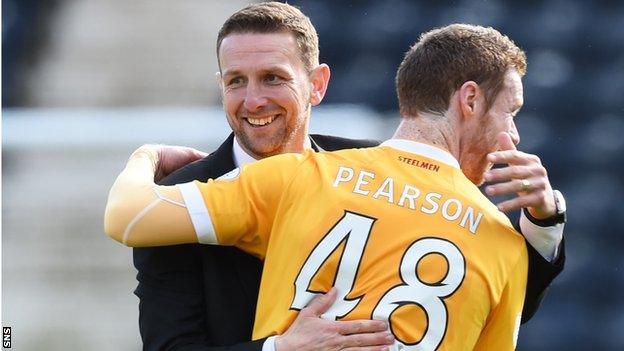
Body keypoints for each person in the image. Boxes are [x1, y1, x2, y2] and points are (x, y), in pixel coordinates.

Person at [105, 23, 567, 350]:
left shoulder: (304, 176)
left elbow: (127, 217)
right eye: (235, 82)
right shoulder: (494, 237)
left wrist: (144, 157)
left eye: (273, 78)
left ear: (317, 84)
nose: (254, 100)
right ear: (468, 99)